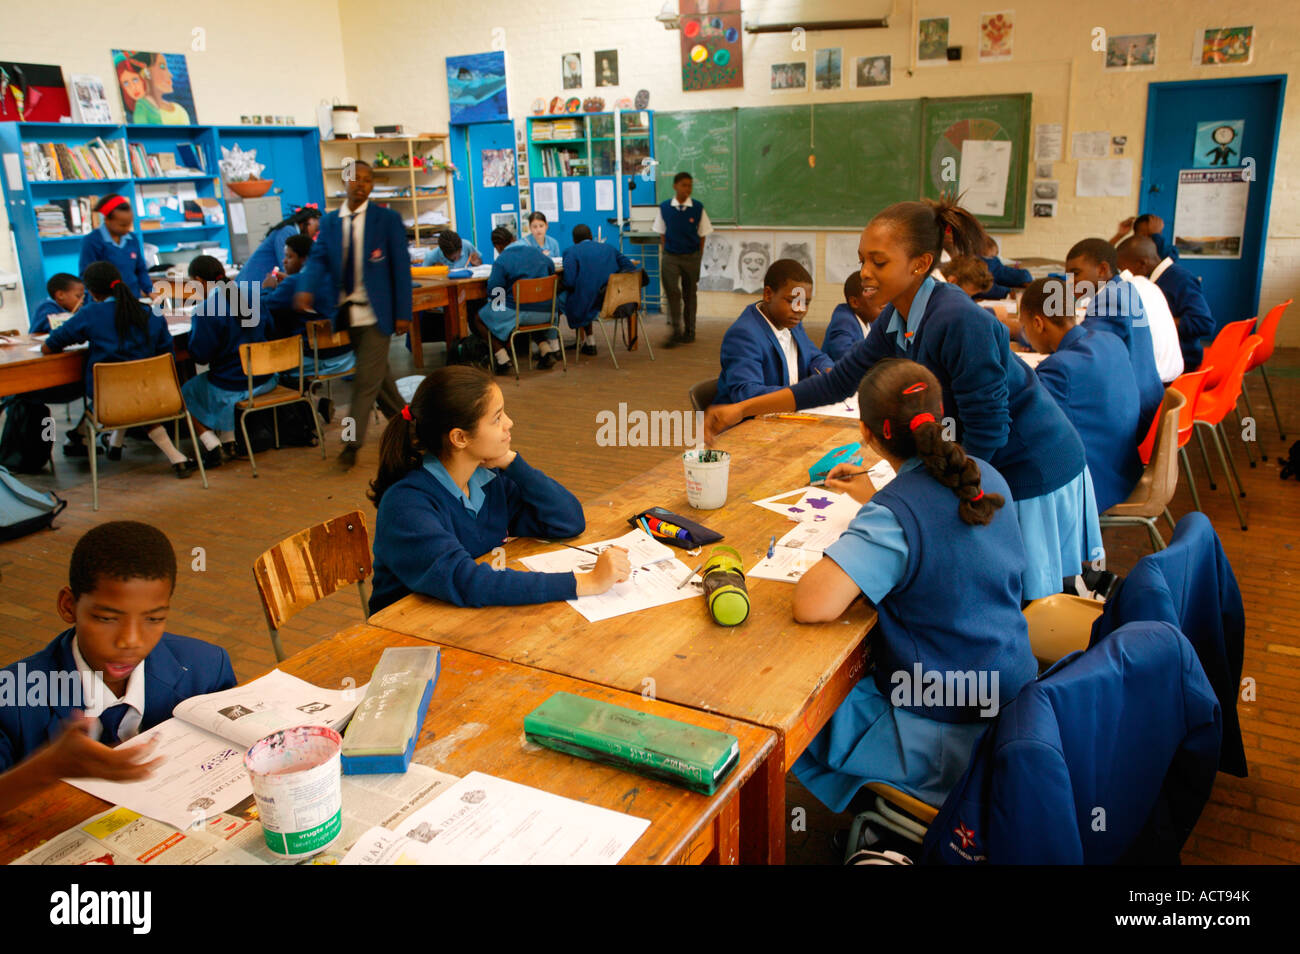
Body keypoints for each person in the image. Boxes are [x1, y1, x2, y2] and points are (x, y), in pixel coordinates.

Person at [706, 198, 1100, 600]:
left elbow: (989, 430)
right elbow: (837, 382)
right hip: (989, 461)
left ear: (919, 263)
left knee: (1031, 599)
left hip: (1029, 465)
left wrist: (940, 504)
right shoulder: (897, 318)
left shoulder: (958, 319)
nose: (864, 273)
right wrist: (742, 407)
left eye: (878, 262)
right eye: (862, 260)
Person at [790, 359, 1037, 811]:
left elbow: (812, 605)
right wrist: (879, 501)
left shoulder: (892, 519)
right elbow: (946, 530)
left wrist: (884, 510)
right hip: (1011, 700)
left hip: (945, 735)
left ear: (866, 434)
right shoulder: (985, 476)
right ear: (943, 413)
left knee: (798, 719)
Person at [0, 521, 236, 814]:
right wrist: (47, 768)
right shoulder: (12, 698)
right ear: (68, 605)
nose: (130, 641)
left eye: (153, 619)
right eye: (107, 619)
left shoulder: (205, 670)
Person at [367, 367, 629, 613]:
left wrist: (514, 464)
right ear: (460, 438)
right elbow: (466, 581)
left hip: (467, 621)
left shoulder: (487, 481)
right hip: (404, 642)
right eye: (497, 418)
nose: (509, 423)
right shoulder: (406, 505)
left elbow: (568, 521)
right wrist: (586, 582)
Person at [296, 159, 412, 470]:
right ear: (344, 181)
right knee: (380, 381)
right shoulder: (331, 223)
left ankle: (351, 443)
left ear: (372, 185)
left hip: (378, 315)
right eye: (354, 178)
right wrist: (304, 288)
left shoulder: (386, 220)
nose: (360, 184)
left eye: (367, 179)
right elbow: (317, 261)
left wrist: (404, 312)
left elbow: (400, 267)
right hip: (348, 315)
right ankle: (413, 429)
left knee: (363, 382)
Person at [42, 261, 194, 474]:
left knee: (121, 391)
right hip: (155, 390)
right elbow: (167, 352)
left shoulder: (91, 314)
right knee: (131, 391)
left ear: (92, 291)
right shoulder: (150, 312)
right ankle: (97, 440)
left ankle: (85, 437)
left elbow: (50, 346)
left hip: (109, 398)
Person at [1019, 278, 1143, 514]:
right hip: (1125, 470)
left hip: (1094, 487)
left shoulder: (1059, 368)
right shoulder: (1111, 341)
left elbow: (1029, 427)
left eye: (1024, 327)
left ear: (1038, 323)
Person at [181, 255, 276, 469]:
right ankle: (229, 441)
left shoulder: (204, 310)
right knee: (223, 376)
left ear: (199, 280)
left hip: (233, 385)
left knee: (185, 392)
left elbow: (201, 356)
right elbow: (270, 333)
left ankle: (213, 444)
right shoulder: (253, 296)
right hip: (266, 379)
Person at [1065, 238, 1163, 440]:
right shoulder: (1123, 289)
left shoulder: (1110, 298)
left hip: (1134, 413)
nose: (1071, 281)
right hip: (1145, 399)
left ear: (1102, 269)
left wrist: (1033, 334)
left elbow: (1082, 351)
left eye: (1076, 273)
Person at [715, 259, 833, 405]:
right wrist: (802, 394)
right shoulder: (743, 335)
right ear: (768, 294)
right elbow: (746, 393)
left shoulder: (792, 323)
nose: (800, 309)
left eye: (805, 303)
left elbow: (815, 357)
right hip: (746, 423)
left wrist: (828, 371)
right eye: (791, 301)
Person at [263, 234, 354, 385]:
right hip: (348, 355)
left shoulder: (293, 283)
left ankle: (308, 402)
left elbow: (265, 305)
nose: (284, 261)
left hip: (315, 361)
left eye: (289, 257)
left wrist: (267, 288)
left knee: (271, 369)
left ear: (304, 259)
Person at [1118, 235, 1215, 372]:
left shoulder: (1179, 278)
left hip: (1180, 361)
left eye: (1123, 270)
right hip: (1163, 357)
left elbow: (1203, 323)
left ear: (1141, 264)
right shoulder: (1155, 280)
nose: (1122, 275)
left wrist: (1158, 322)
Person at [478, 226, 562, 374]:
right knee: (526, 310)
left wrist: (498, 304)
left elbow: (495, 290)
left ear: (497, 246)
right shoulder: (537, 252)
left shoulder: (502, 260)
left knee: (480, 318)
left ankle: (503, 360)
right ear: (513, 238)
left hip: (520, 313)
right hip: (548, 311)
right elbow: (551, 269)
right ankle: (545, 349)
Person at [653, 172, 713, 347]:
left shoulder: (697, 207)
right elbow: (662, 233)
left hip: (691, 256)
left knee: (689, 294)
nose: (687, 189)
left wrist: (698, 254)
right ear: (675, 186)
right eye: (684, 185)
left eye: (690, 186)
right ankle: (676, 331)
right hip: (671, 256)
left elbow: (702, 234)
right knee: (672, 292)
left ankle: (690, 331)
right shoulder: (665, 207)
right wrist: (667, 251)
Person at [560, 224, 638, 355]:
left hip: (588, 302)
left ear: (574, 240)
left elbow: (569, 282)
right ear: (591, 237)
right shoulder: (609, 248)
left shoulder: (571, 252)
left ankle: (555, 345)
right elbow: (630, 267)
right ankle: (588, 341)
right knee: (584, 293)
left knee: (559, 299)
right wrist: (612, 279)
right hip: (612, 302)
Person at [1116, 237, 1184, 384]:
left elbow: (1203, 322)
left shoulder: (1133, 285)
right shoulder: (1150, 285)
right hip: (1173, 375)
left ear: (1141, 264)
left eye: (1120, 270)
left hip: (1158, 383)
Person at [78, 195, 155, 300]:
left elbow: (140, 269)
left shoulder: (132, 239)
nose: (127, 228)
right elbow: (86, 275)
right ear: (107, 220)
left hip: (132, 298)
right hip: (105, 301)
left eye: (129, 224)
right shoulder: (92, 241)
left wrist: (149, 290)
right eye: (122, 225)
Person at [236, 206, 322, 287]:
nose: (316, 232)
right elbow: (286, 266)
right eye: (316, 228)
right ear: (309, 220)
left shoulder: (290, 231)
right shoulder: (287, 231)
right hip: (252, 282)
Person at [822, 271, 883, 362]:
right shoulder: (844, 322)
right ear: (855, 302)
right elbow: (847, 359)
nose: (884, 303)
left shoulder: (870, 321)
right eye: (876, 297)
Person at [129, 53, 192, 125]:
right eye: (162, 66)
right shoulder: (142, 106)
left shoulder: (179, 109)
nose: (170, 75)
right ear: (146, 73)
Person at [1111, 212, 1179, 262]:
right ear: (1135, 236)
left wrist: (1156, 236)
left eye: (1151, 235)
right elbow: (1104, 257)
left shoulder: (1170, 251)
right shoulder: (1130, 252)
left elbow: (1168, 262)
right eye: (1143, 235)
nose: (1146, 240)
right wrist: (1119, 235)